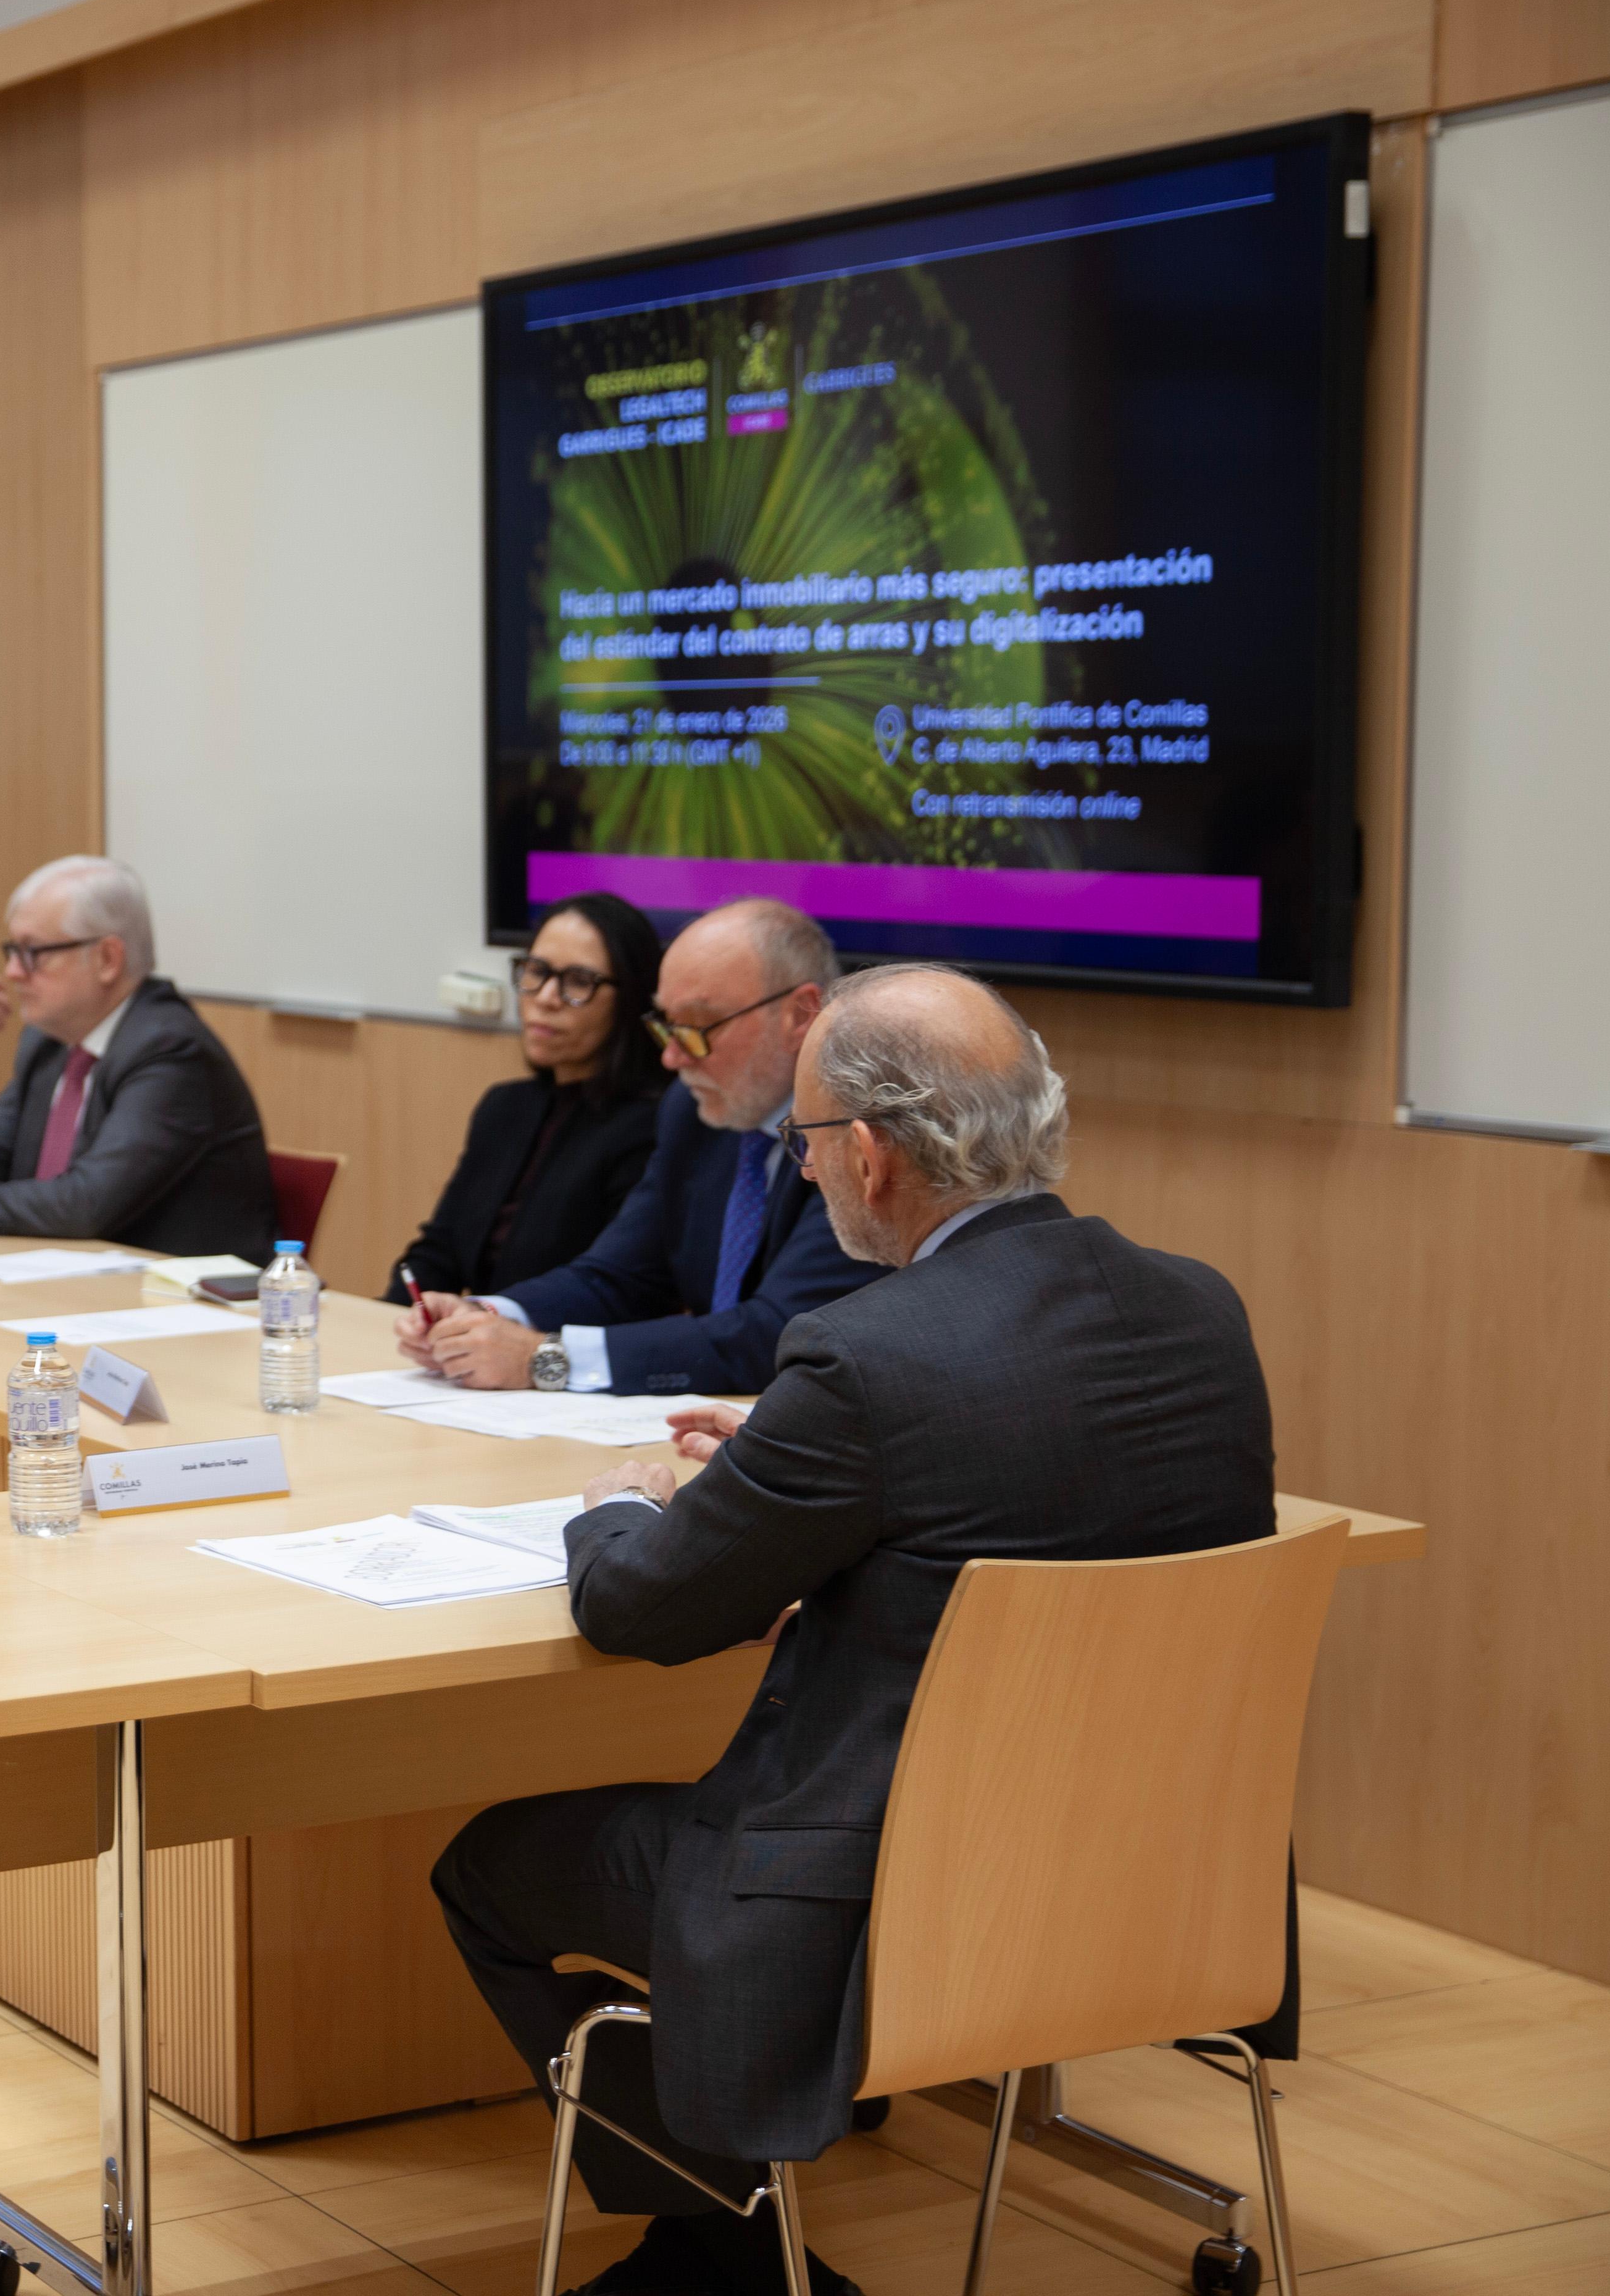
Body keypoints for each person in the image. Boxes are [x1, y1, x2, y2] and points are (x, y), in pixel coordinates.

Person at [428, 966, 1279, 2296]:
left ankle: (717, 2247)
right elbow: (1026, 1481)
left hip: (899, 1896)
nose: (807, 1167)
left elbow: (642, 1610)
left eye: (807, 1141)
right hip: (1150, 1873)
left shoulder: (867, 1357)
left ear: (871, 1155)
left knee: (487, 1865)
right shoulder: (1201, 1308)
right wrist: (793, 1459)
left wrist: (615, 1507)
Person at [398, 896, 874, 1396]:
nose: (672, 1058)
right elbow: (620, 1275)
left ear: (800, 1015)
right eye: (666, 1026)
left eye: (697, 1028)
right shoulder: (693, 1112)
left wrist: (546, 1358)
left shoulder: (856, 1133)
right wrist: (487, 1316)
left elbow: (778, 1331)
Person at [0, 854, 278, 1259]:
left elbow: (87, 1204)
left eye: (33, 952)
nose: (13, 972)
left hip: (177, 1292)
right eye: (12, 951)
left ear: (108, 959)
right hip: (69, 1282)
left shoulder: (173, 1051)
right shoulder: (48, 1044)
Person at [386, 893, 671, 1306]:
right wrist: (397, 1318)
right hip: (471, 1336)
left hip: (556, 1341)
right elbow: (439, 1252)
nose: (547, 997)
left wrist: (485, 1321)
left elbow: (612, 1287)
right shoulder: (505, 1107)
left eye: (579, 981)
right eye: (537, 972)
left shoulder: (652, 1125)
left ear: (631, 999)